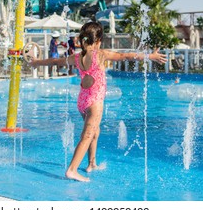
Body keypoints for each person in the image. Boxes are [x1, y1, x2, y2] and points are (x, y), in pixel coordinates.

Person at [29, 22, 167, 182]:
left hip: (82, 101)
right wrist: (151, 56)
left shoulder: (76, 57)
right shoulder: (100, 55)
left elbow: (55, 62)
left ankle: (91, 164)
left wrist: (36, 62)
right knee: (87, 135)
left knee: (95, 131)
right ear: (99, 40)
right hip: (95, 102)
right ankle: (72, 170)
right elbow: (125, 56)